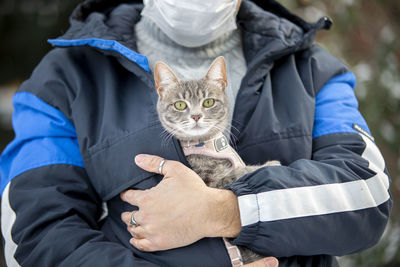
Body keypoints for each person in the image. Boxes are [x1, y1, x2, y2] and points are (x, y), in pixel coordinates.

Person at [0, 0, 392, 266]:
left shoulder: (315, 70)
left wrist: (223, 211)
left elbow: (368, 198)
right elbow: (35, 234)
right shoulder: (61, 79)